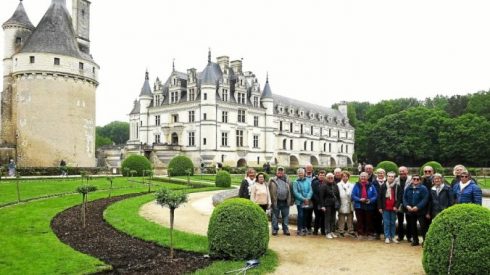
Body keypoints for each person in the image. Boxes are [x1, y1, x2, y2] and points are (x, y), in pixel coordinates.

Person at [403, 175, 429, 246]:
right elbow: (404, 198)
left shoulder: (423, 188)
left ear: (420, 180)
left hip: (420, 211)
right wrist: (407, 205)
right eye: (414, 179)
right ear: (411, 180)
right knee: (412, 226)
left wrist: (418, 207)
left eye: (417, 179)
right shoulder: (408, 188)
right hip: (410, 211)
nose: (416, 180)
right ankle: (415, 240)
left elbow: (425, 199)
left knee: (423, 226)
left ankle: (425, 241)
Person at [378, 172, 403, 244]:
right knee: (386, 223)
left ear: (394, 177)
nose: (391, 178)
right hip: (385, 208)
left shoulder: (397, 186)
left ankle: (392, 236)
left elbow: (399, 198)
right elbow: (379, 197)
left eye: (392, 176)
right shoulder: (383, 186)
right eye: (389, 176)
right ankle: (387, 237)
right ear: (387, 177)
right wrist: (380, 207)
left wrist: (396, 206)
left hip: (393, 208)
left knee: (393, 223)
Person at [351, 172, 378, 240]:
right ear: (359, 177)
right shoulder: (356, 185)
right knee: (360, 220)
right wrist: (359, 199)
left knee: (369, 221)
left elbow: (375, 195)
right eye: (362, 176)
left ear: (367, 177)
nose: (363, 178)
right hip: (359, 205)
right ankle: (360, 234)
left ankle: (369, 234)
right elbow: (353, 195)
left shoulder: (371, 185)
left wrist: (370, 200)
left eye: (364, 176)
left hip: (369, 205)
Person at [269, 167, 293, 236]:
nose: (280, 172)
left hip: (285, 201)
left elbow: (291, 190)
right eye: (279, 171)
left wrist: (291, 200)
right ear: (276, 172)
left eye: (281, 171)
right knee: (274, 216)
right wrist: (269, 201)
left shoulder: (288, 180)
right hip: (276, 201)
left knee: (285, 216)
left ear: (284, 172)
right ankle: (275, 229)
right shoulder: (272, 180)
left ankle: (285, 229)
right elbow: (268, 190)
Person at [293, 168, 313, 236]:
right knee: (300, 215)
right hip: (300, 202)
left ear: (304, 173)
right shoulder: (295, 182)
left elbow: (311, 190)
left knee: (305, 215)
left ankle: (304, 228)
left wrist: (308, 198)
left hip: (306, 201)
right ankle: (299, 229)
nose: (300, 174)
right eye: (299, 173)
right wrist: (303, 199)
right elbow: (295, 192)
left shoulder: (308, 181)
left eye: (302, 173)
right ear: (297, 174)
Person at [394, 166, 412, 242]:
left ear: (407, 171)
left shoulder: (411, 180)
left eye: (403, 171)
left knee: (409, 221)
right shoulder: (395, 180)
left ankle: (409, 236)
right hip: (399, 203)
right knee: (400, 221)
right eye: (400, 171)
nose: (402, 173)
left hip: (408, 203)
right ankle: (400, 236)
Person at [320, 173, 340, 239]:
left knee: (333, 218)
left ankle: (332, 231)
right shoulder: (323, 185)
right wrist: (322, 206)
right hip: (327, 205)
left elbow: (337, 195)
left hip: (334, 204)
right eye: (329, 178)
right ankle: (327, 232)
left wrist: (338, 203)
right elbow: (321, 197)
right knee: (327, 219)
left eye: (332, 178)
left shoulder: (335, 185)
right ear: (326, 178)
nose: (330, 179)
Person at [337, 171, 355, 237]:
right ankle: (341, 230)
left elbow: (353, 193)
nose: (345, 178)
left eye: (346, 176)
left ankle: (350, 230)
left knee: (350, 217)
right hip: (341, 202)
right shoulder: (338, 185)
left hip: (349, 202)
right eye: (343, 176)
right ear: (341, 177)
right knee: (341, 218)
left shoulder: (352, 185)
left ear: (348, 177)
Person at [371, 168, 386, 240]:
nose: (380, 174)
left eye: (382, 173)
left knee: (386, 219)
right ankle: (377, 233)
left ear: (384, 174)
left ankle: (386, 234)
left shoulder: (387, 181)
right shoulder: (374, 182)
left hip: (386, 203)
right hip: (375, 204)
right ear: (376, 174)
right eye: (379, 173)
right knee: (376, 219)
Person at [311, 170, 327, 235]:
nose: (322, 176)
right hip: (316, 202)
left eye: (323, 175)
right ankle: (315, 230)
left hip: (324, 203)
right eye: (320, 175)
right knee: (317, 216)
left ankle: (323, 231)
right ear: (318, 175)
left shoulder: (326, 183)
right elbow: (314, 193)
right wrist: (319, 202)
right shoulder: (315, 182)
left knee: (323, 217)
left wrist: (324, 203)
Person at [303, 163, 315, 234]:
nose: (309, 170)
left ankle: (309, 227)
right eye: (307, 168)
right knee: (304, 213)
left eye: (310, 168)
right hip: (305, 198)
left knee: (310, 214)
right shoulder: (302, 177)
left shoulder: (315, 177)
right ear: (305, 169)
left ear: (312, 169)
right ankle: (304, 227)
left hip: (313, 199)